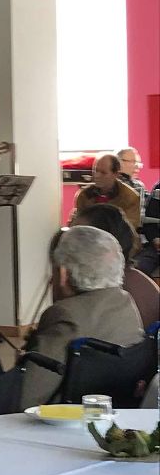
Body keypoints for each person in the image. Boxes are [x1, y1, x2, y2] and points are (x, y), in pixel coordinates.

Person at [20, 226, 143, 408]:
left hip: (65, 417)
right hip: (116, 410)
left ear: (63, 274)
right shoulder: (125, 303)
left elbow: (27, 397)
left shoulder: (65, 314)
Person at [71, 152, 141, 231]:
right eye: (95, 170)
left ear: (115, 174)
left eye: (103, 173)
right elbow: (76, 225)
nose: (97, 175)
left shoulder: (130, 197)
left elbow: (128, 230)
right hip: (89, 235)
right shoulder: (84, 195)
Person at [135, 181, 160, 275]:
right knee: (138, 269)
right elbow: (149, 222)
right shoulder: (158, 188)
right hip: (155, 247)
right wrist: (155, 238)